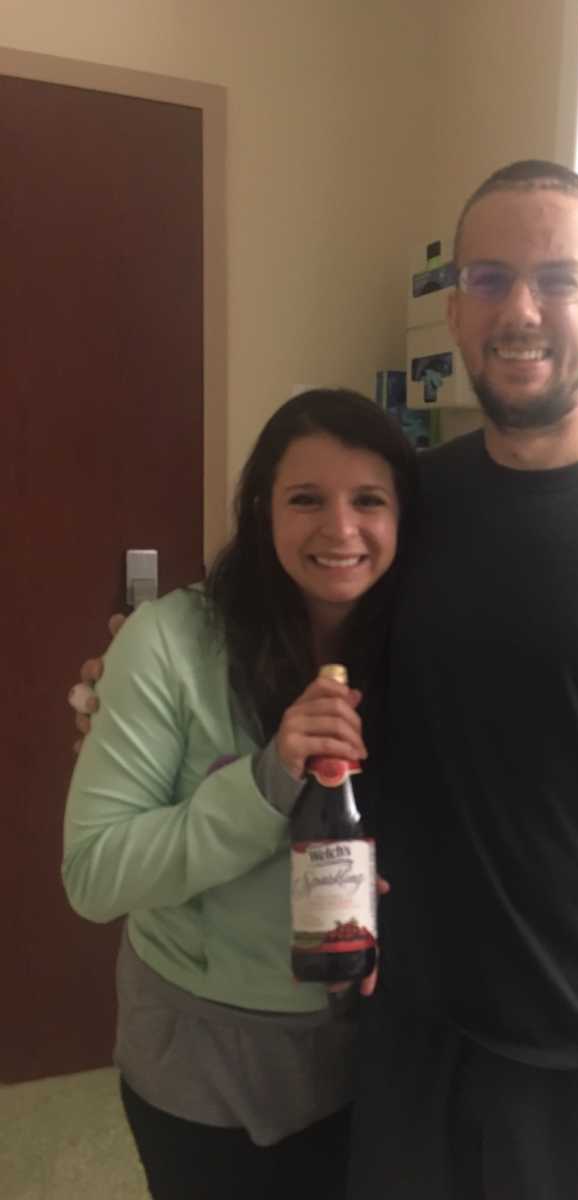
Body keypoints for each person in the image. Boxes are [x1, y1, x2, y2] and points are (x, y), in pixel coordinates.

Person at [73, 161, 578, 1199]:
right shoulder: (418, 504)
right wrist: (132, 668)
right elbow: (295, 612)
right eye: (491, 279)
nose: (523, 310)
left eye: (559, 280)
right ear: (454, 309)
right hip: (406, 1028)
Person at [63, 388, 417, 1200]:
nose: (341, 529)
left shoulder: (420, 645)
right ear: (260, 511)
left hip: (378, 1056)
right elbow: (93, 875)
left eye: (369, 500)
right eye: (305, 500)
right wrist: (267, 782)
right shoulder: (172, 643)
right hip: (203, 1065)